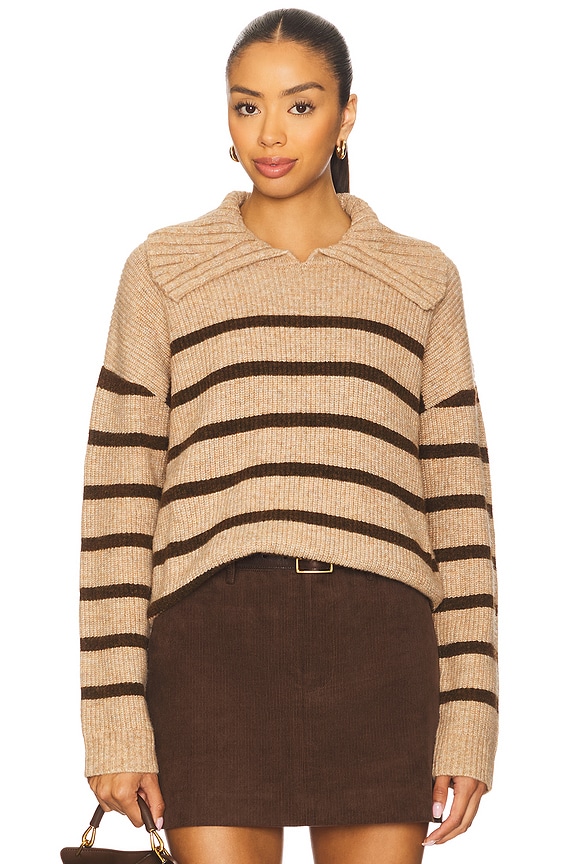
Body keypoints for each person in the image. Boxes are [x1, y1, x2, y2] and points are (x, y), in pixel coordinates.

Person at [79, 8, 498, 863]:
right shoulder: (164, 270)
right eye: (247, 106)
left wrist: (470, 717)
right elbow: (118, 501)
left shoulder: (422, 278)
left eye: (300, 106)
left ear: (347, 115)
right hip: (212, 646)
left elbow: (460, 512)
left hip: (381, 647)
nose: (270, 133)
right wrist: (113, 717)